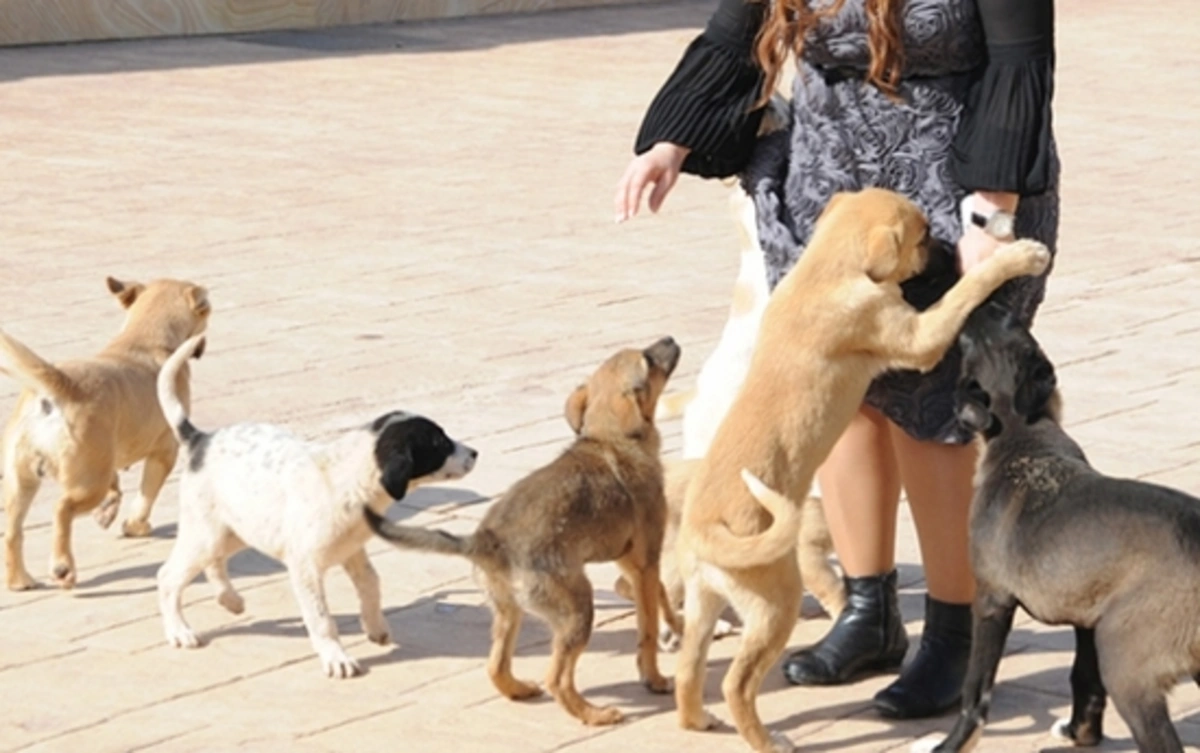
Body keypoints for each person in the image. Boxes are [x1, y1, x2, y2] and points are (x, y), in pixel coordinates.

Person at [614, 0, 1057, 720]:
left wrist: (991, 214)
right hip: (831, 191)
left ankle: (956, 631)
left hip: (953, 186)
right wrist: (671, 141)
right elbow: (738, 29)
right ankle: (869, 607)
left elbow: (1021, 60)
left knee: (934, 406)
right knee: (838, 394)